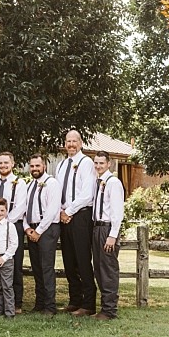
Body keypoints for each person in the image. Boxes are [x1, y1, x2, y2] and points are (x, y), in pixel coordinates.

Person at [56, 130, 97, 317]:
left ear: (80, 143)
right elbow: (57, 191)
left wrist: (69, 211)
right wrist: (60, 212)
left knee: (82, 260)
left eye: (74, 141)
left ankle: (89, 304)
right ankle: (75, 301)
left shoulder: (86, 163)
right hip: (64, 217)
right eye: (68, 141)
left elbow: (87, 194)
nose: (71, 144)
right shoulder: (61, 165)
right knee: (69, 260)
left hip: (80, 216)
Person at [24, 154, 62, 316]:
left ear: (44, 166)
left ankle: (50, 306)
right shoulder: (29, 186)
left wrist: (39, 231)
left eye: (37, 166)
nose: (34, 169)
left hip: (47, 229)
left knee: (46, 267)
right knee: (36, 268)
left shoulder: (52, 183)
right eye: (32, 166)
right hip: (32, 229)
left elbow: (52, 210)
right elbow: (24, 209)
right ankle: (39, 303)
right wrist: (27, 228)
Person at [0, 151, 28, 313]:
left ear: (12, 164)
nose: (3, 165)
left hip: (13, 226)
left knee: (15, 264)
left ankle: (16, 303)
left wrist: (5, 223)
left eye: (6, 162)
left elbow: (21, 207)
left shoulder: (19, 183)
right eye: (0, 163)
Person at [92, 151, 125, 320]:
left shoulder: (113, 183)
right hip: (97, 228)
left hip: (107, 229)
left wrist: (112, 235)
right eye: (96, 163)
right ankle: (104, 307)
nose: (98, 166)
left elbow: (117, 212)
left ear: (109, 164)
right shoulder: (98, 182)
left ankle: (110, 310)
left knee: (108, 269)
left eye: (101, 163)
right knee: (98, 268)